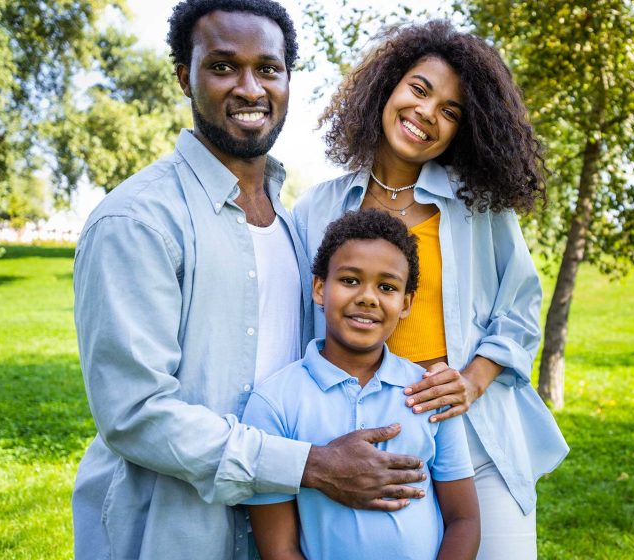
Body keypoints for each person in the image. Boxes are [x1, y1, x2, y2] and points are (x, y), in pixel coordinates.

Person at [72, 2, 425, 558]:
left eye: (268, 69)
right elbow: (135, 413)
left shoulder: (293, 225)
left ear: (287, 80)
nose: (250, 88)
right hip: (172, 532)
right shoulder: (137, 220)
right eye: (222, 67)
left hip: (279, 533)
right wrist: (311, 465)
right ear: (184, 77)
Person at [293, 21, 569, 559]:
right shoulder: (318, 208)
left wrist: (471, 381)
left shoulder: (478, 209)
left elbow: (520, 307)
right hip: (366, 440)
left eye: (450, 111)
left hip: (475, 436)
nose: (426, 113)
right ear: (388, 87)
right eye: (419, 90)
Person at [242, 209, 480, 560]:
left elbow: (464, 520)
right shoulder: (274, 402)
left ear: (406, 303)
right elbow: (279, 548)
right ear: (320, 288)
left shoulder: (429, 394)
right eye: (350, 280)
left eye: (387, 287)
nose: (368, 297)